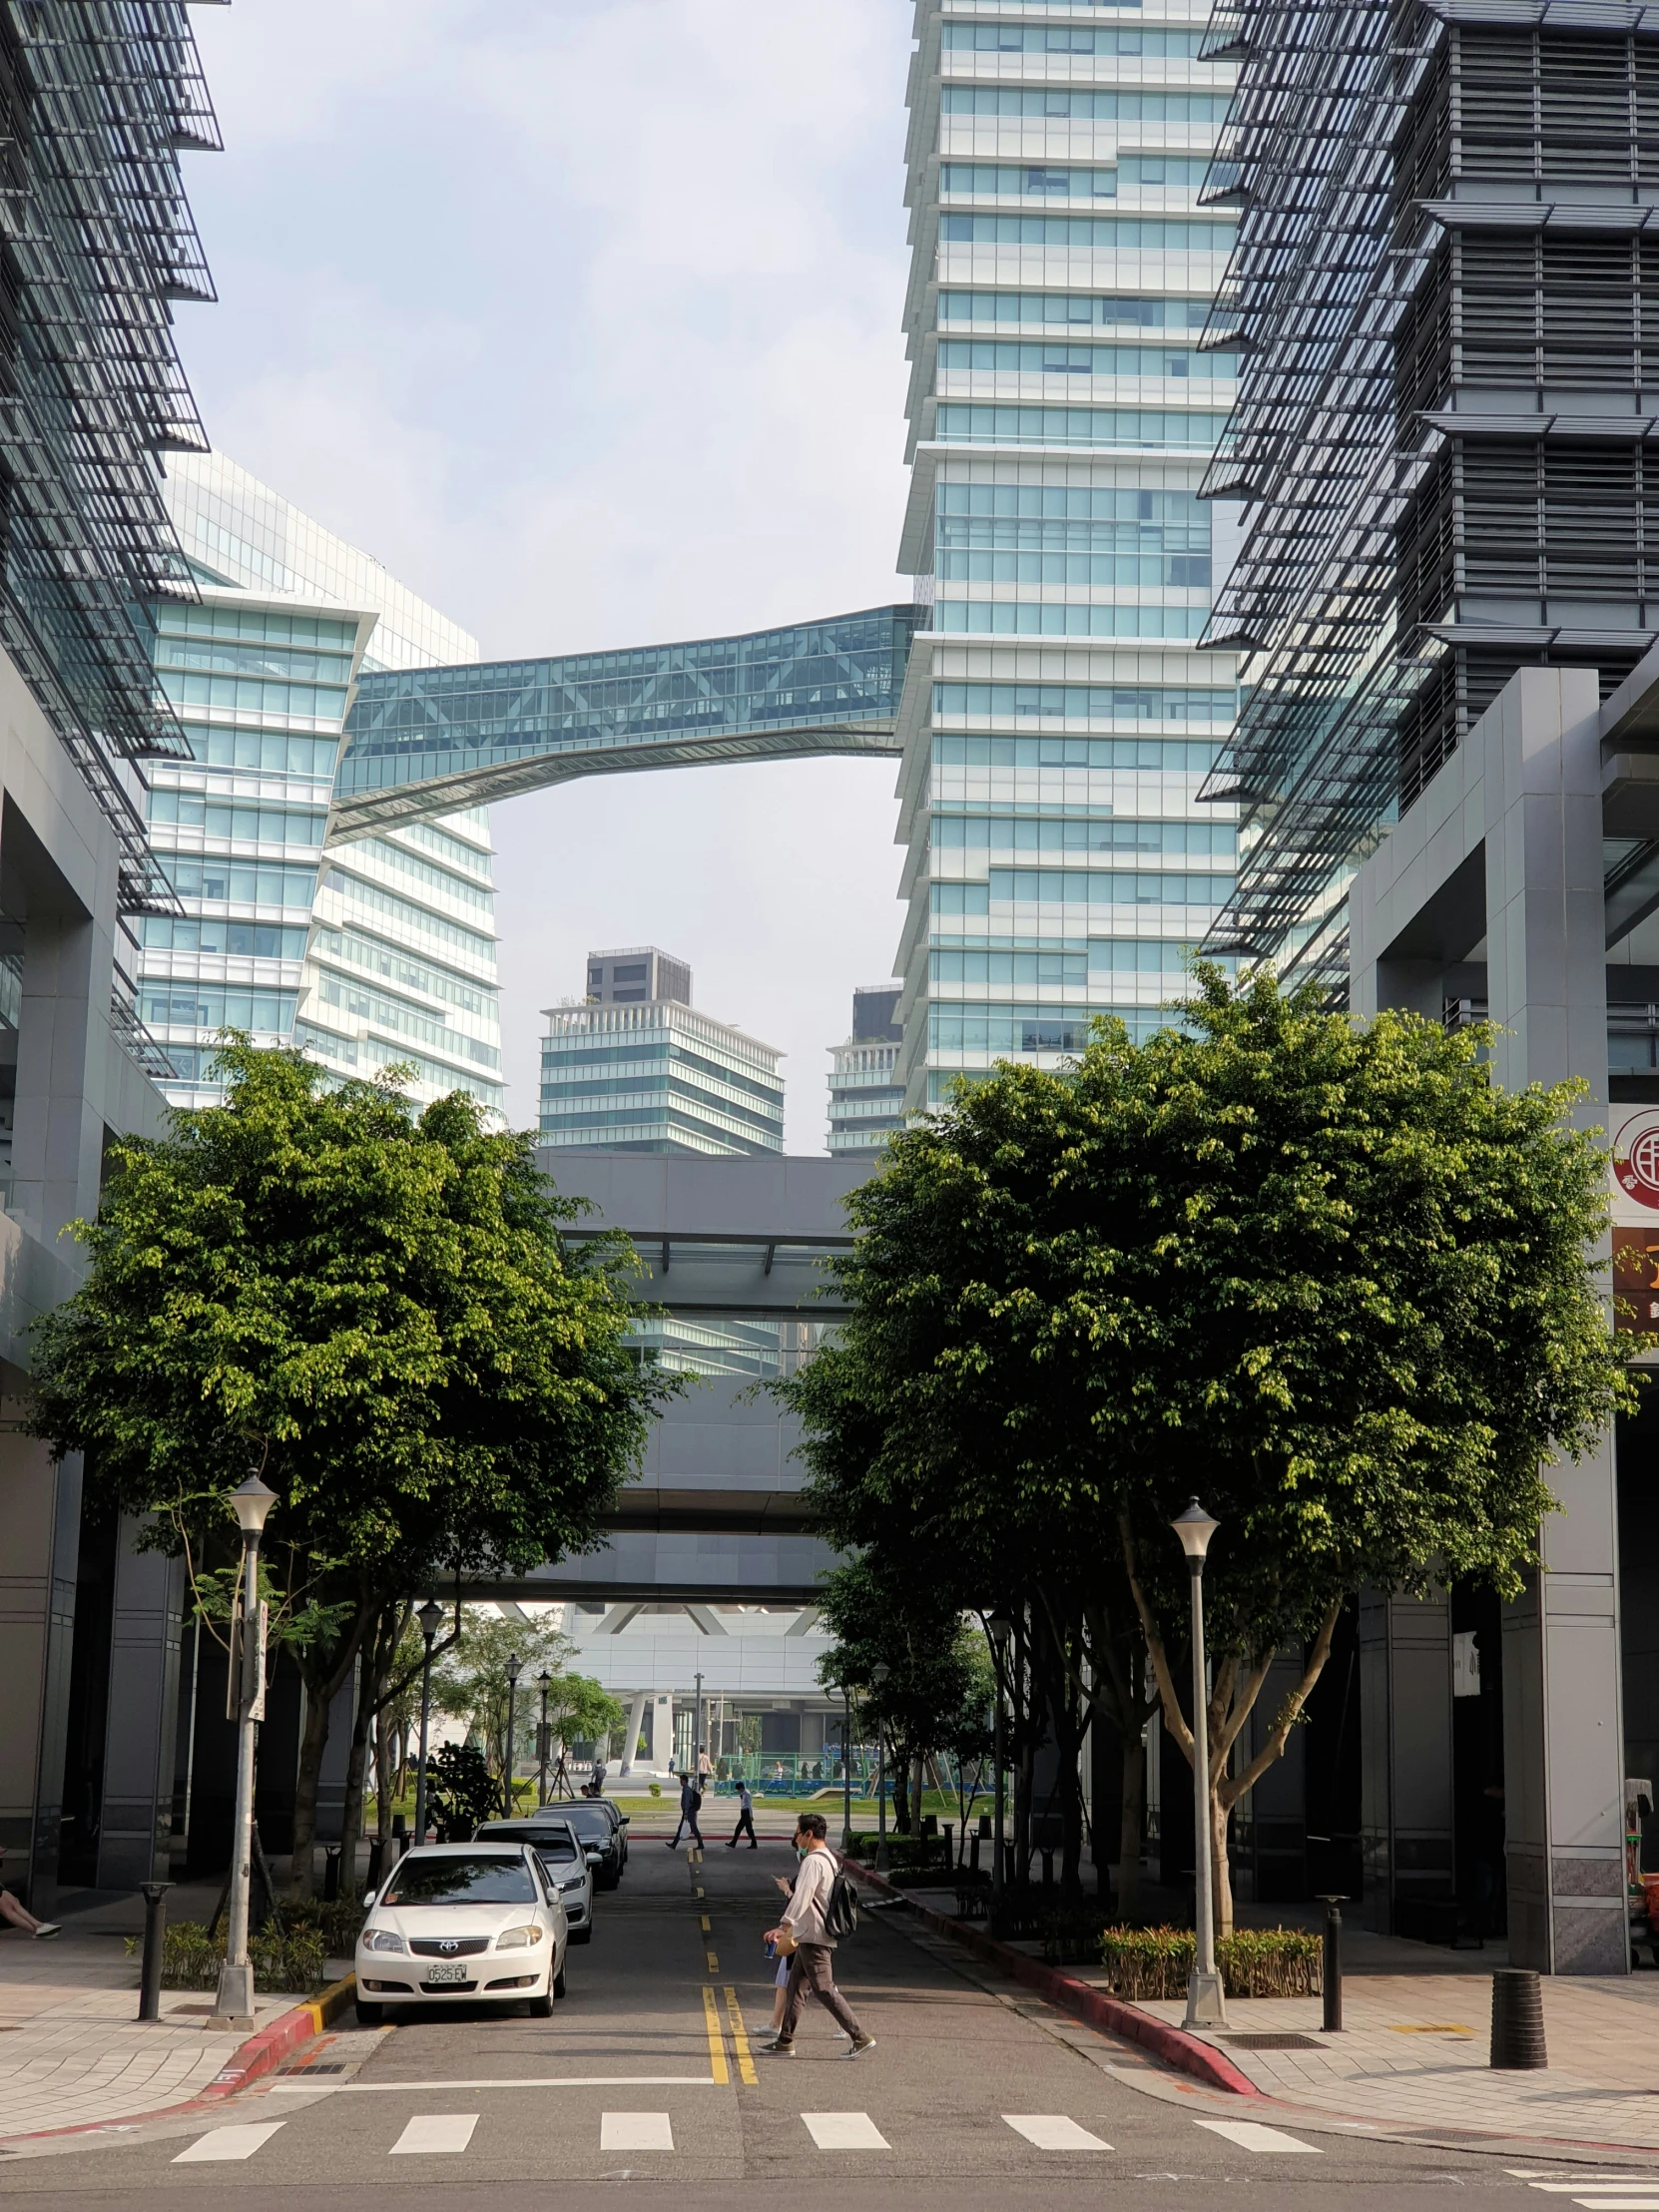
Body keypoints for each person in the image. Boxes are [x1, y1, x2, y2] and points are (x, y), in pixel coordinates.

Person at [764, 1812, 872, 2059]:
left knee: (823, 1988)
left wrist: (783, 1926)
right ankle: (785, 2041)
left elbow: (802, 1897)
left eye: (798, 1834)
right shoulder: (829, 1858)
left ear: (809, 1834)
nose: (796, 1839)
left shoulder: (813, 1862)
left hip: (815, 1936)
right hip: (809, 1934)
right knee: (796, 1989)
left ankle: (860, 2036)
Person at [666, 1773, 704, 1850]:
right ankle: (674, 1844)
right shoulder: (687, 1789)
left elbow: (687, 1802)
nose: (680, 1782)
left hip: (689, 1812)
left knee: (693, 1828)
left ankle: (700, 1844)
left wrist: (685, 1813)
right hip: (688, 1812)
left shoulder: (686, 1790)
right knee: (681, 1828)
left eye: (681, 1780)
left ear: (684, 1781)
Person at [727, 1777, 757, 1850]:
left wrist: (751, 1815)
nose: (738, 1791)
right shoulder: (743, 1794)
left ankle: (733, 1843)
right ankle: (754, 1843)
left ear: (741, 1788)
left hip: (746, 1812)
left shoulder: (747, 1794)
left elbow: (749, 1805)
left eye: (738, 1790)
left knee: (739, 1828)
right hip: (743, 1812)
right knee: (749, 1829)